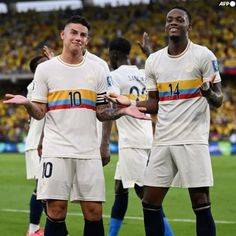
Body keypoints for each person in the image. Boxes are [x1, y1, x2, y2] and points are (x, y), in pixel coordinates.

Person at [3, 15, 150, 236]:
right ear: (63, 35)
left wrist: (122, 111)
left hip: (88, 152)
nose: (78, 38)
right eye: (74, 32)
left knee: (93, 211)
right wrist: (27, 104)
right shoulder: (46, 70)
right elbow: (40, 112)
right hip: (56, 151)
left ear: (87, 40)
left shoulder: (98, 70)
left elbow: (101, 113)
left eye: (83, 34)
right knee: (56, 209)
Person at [106, 7, 223, 236]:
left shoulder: (203, 55)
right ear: (165, 25)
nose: (174, 22)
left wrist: (208, 92)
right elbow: (154, 103)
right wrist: (128, 102)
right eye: (170, 19)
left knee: (200, 202)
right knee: (149, 202)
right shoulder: (154, 61)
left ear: (188, 26)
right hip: (162, 140)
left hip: (192, 139)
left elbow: (218, 100)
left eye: (180, 19)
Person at [107, 37, 174, 236]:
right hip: (145, 136)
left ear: (114, 54)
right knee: (120, 188)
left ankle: (169, 235)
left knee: (145, 195)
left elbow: (112, 105)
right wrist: (150, 53)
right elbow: (163, 74)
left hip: (131, 141)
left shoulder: (114, 76)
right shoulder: (144, 73)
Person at [25, 55, 49, 236]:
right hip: (39, 143)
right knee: (46, 189)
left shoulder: (39, 84)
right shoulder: (36, 85)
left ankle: (35, 229)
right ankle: (35, 230)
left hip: (45, 141)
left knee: (44, 188)